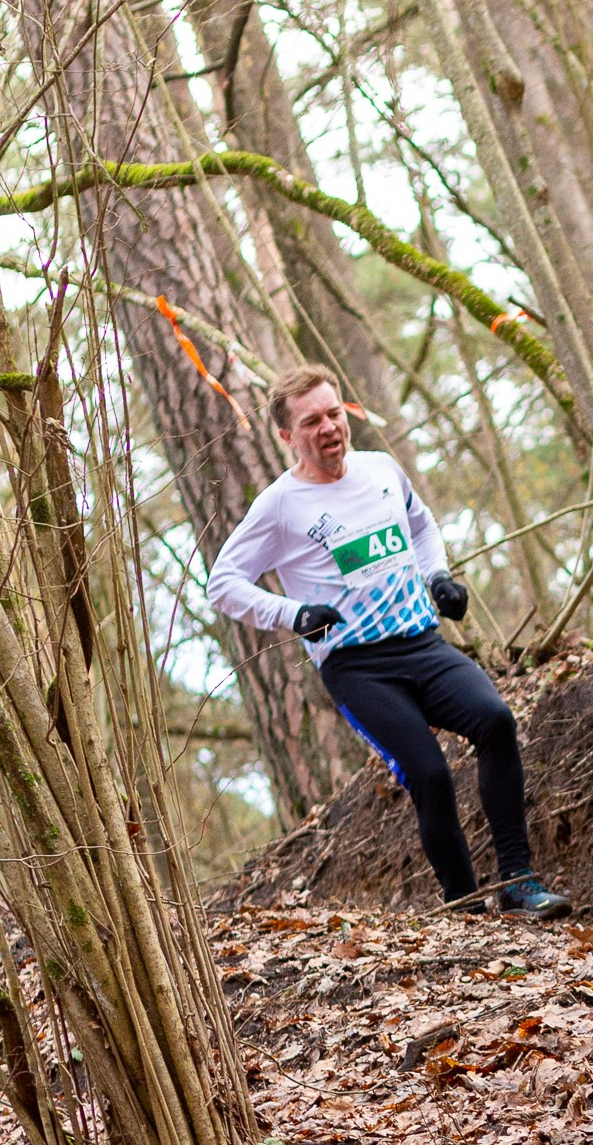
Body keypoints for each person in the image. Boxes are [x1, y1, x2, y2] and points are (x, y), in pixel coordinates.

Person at [209, 367, 569, 919]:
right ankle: (464, 906)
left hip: (423, 644)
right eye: (312, 422)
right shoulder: (281, 506)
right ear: (286, 437)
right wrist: (294, 613)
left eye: (334, 413)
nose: (329, 428)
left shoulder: (381, 469)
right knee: (428, 773)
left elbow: (421, 526)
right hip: (358, 668)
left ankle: (518, 883)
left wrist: (438, 577)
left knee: (495, 720)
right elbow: (223, 584)